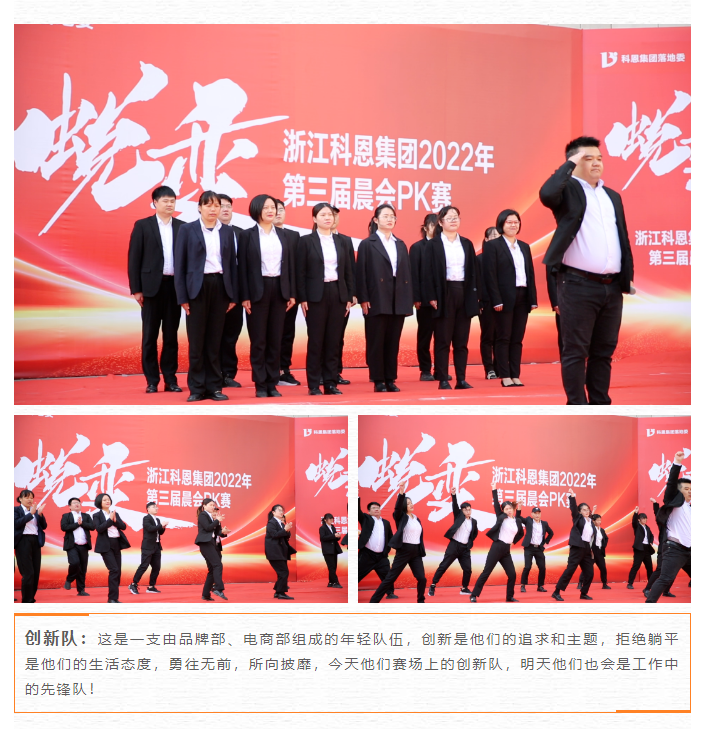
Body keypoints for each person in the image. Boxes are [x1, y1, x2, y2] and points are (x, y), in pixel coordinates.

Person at [540, 136, 635, 405]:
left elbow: (622, 238)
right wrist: (569, 164)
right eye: (588, 158)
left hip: (611, 287)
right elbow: (547, 194)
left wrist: (626, 277)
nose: (596, 163)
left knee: (603, 351)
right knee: (575, 350)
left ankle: (600, 403)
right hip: (577, 284)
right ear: (573, 162)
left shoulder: (612, 196)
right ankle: (577, 406)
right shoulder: (567, 190)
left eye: (599, 158)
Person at [174, 191, 238, 402]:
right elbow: (180, 265)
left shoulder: (227, 231)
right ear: (199, 207)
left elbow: (231, 264)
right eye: (208, 205)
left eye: (216, 205)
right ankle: (196, 388)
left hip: (219, 286)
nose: (213, 209)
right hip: (197, 288)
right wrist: (182, 297)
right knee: (197, 341)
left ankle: (214, 387)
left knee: (214, 340)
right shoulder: (187, 229)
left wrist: (232, 295)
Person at [127, 185, 185, 394]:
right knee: (149, 336)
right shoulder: (143, 225)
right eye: (165, 201)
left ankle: (170, 379)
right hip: (151, 289)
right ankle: (152, 380)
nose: (169, 204)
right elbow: (134, 258)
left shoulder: (183, 227)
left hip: (174, 288)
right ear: (155, 203)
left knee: (171, 336)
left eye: (172, 201)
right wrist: (136, 289)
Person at [239, 195, 297, 397]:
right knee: (259, 340)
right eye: (266, 208)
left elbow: (290, 266)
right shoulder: (247, 235)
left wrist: (291, 293)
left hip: (279, 289)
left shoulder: (283, 235)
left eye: (274, 207)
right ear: (257, 210)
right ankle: (260, 384)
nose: (272, 211)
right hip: (257, 290)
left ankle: (272, 383)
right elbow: (242, 268)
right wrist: (244, 296)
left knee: (275, 339)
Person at [297, 203, 354, 395]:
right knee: (316, 341)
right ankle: (314, 384)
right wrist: (303, 298)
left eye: (330, 214)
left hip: (337, 293)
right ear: (314, 219)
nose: (328, 218)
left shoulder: (342, 241)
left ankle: (330, 383)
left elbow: (348, 271)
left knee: (333, 341)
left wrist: (348, 296)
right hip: (315, 296)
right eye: (322, 215)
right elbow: (300, 272)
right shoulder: (306, 241)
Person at [356, 204, 413, 392]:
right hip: (376, 297)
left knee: (392, 341)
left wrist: (407, 299)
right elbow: (361, 273)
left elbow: (406, 273)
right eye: (385, 216)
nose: (390, 219)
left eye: (392, 216)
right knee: (376, 340)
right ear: (376, 220)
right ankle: (378, 379)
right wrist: (364, 298)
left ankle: (390, 378)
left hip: (398, 298)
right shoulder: (367, 244)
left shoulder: (400, 244)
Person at [423, 205, 479, 390]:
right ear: (441, 222)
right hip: (444, 293)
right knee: (443, 339)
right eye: (449, 217)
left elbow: (473, 272)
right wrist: (431, 296)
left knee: (461, 341)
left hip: (464, 292)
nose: (454, 220)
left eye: (456, 217)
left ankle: (461, 379)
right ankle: (443, 379)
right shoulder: (433, 244)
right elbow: (427, 273)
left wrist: (475, 295)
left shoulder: (467, 243)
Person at [482, 209, 538, 388]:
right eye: (509, 222)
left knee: (517, 338)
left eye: (516, 222)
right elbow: (490, 275)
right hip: (503, 299)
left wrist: (532, 299)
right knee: (503, 337)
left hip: (523, 296)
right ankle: (504, 375)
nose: (513, 225)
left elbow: (530, 273)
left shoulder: (524, 247)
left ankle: (515, 374)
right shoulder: (493, 246)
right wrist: (496, 299)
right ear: (501, 224)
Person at [369, 481, 427, 603]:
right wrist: (401, 492)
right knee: (390, 578)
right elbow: (397, 508)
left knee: (422, 578)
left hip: (416, 552)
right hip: (404, 551)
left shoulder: (416, 519)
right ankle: (373, 601)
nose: (411, 505)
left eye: (411, 502)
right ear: (404, 506)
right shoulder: (401, 517)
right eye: (408, 503)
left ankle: (421, 601)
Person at [646, 451, 691, 603]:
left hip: (690, 551)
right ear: (678, 491)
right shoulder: (675, 502)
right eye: (686, 489)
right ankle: (648, 606)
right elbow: (671, 483)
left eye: (691, 489)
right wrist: (677, 462)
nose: (690, 491)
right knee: (665, 578)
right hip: (674, 550)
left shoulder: (691, 508)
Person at [469, 483, 524, 603]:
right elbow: (496, 503)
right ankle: (473, 595)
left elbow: (521, 533)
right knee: (486, 572)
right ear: (503, 510)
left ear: (513, 509)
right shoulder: (501, 517)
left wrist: (513, 542)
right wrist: (494, 489)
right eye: (506, 509)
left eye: (510, 508)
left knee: (512, 574)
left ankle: (509, 597)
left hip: (506, 551)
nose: (509, 510)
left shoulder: (517, 521)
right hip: (497, 547)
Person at [217, 194, 245, 389]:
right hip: (214, 290)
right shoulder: (206, 232)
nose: (226, 209)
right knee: (213, 335)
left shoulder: (241, 234)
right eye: (221, 206)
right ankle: (213, 373)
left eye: (229, 206)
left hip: (236, 292)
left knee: (231, 335)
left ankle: (228, 373)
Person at [428, 485, 478, 596]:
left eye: (469, 509)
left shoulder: (474, 521)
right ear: (462, 511)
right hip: (454, 546)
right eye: (465, 510)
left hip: (465, 549)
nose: (468, 511)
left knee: (468, 569)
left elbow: (474, 534)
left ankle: (464, 588)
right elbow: (455, 506)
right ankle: (433, 585)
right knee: (444, 566)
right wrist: (454, 495)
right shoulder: (459, 516)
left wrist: (469, 543)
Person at [274, 199, 303, 387]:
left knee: (287, 333)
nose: (277, 213)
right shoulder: (259, 235)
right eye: (273, 209)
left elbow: (297, 267)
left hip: (289, 294)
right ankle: (270, 370)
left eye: (281, 209)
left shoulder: (294, 236)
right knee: (269, 334)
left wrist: (295, 294)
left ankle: (284, 370)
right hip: (267, 292)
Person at [551, 489, 596, 601]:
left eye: (588, 509)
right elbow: (573, 508)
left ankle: (583, 593)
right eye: (584, 509)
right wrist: (572, 496)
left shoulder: (590, 522)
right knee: (570, 570)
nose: (587, 511)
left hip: (586, 549)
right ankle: (556, 592)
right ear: (580, 512)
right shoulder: (578, 518)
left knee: (589, 573)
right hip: (577, 548)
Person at [410, 214, 437, 382]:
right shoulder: (417, 247)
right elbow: (414, 274)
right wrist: (416, 297)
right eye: (433, 225)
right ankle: (425, 369)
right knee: (425, 336)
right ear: (425, 228)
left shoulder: (444, 246)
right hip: (424, 301)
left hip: (442, 301)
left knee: (442, 337)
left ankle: (440, 368)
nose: (436, 228)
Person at [330, 207, 356, 385]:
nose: (332, 218)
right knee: (319, 337)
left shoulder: (345, 240)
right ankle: (320, 372)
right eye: (326, 214)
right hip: (319, 296)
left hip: (341, 296)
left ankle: (335, 372)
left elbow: (351, 270)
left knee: (338, 336)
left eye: (334, 215)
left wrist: (352, 294)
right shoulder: (310, 240)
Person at [93, 493, 130, 604]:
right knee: (114, 570)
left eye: (108, 499)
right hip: (105, 545)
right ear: (99, 502)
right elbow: (99, 529)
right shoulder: (96, 515)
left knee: (117, 572)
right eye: (104, 500)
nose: (107, 501)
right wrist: (109, 520)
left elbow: (123, 526)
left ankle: (114, 598)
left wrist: (115, 520)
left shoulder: (115, 513)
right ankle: (112, 599)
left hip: (116, 544)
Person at [357, 497, 397, 599]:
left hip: (381, 556)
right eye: (373, 508)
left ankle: (390, 593)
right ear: (369, 511)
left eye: (378, 507)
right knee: (357, 573)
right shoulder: (366, 519)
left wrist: (387, 550)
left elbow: (390, 537)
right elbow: (357, 511)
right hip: (367, 555)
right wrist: (355, 497)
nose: (376, 509)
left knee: (387, 575)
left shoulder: (386, 523)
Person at [129, 502, 169, 595]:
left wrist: (163, 527)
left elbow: (160, 532)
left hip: (157, 546)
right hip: (148, 546)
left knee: (156, 567)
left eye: (156, 507)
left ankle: (151, 586)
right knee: (144, 565)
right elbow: (150, 528)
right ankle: (133, 584)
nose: (156, 508)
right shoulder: (146, 518)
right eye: (154, 507)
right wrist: (160, 525)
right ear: (148, 509)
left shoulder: (157, 519)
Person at [14, 489, 47, 603]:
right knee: (28, 573)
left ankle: (31, 598)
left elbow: (44, 526)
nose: (30, 500)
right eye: (27, 497)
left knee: (35, 572)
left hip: (35, 541)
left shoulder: (35, 511)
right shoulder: (15, 510)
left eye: (31, 498)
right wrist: (31, 514)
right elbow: (16, 524)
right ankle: (27, 600)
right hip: (23, 541)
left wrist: (40, 515)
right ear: (20, 499)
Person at [476, 227, 500, 379]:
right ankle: (489, 368)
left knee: (501, 336)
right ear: (486, 239)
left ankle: (499, 367)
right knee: (488, 336)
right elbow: (477, 283)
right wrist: (479, 302)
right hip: (486, 303)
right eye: (493, 236)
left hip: (503, 303)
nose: (496, 239)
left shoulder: (504, 257)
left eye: (498, 236)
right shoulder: (479, 259)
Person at [643, 498, 677, 598]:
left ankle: (666, 591)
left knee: (673, 571)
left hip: (675, 549)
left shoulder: (677, 524)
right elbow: (657, 514)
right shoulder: (663, 523)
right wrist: (655, 504)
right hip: (664, 549)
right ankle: (647, 589)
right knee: (659, 570)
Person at [194, 498, 227, 601]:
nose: (213, 507)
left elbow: (216, 532)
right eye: (211, 505)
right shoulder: (203, 515)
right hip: (205, 543)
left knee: (212, 569)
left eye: (213, 505)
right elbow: (208, 528)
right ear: (204, 506)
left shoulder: (212, 517)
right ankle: (218, 588)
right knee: (217, 565)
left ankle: (206, 594)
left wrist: (223, 531)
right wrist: (217, 520)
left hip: (211, 543)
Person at [61, 497, 94, 597]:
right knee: (75, 563)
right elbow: (64, 527)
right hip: (72, 545)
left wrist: (82, 523)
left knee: (83, 568)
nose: (77, 504)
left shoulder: (86, 516)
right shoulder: (66, 516)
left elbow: (92, 527)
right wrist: (77, 524)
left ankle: (81, 590)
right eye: (74, 503)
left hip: (84, 545)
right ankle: (69, 579)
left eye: (78, 503)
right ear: (69, 506)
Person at [265, 504, 297, 599]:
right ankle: (281, 593)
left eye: (282, 510)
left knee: (282, 572)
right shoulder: (271, 523)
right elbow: (274, 535)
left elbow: (286, 536)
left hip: (281, 551)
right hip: (274, 552)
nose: (281, 512)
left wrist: (287, 530)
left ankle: (278, 592)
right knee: (284, 572)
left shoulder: (281, 523)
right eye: (279, 510)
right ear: (273, 512)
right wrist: (284, 530)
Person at [519, 506, 554, 593]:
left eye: (538, 513)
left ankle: (540, 586)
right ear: (532, 514)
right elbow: (518, 518)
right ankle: (523, 585)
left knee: (542, 567)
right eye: (535, 513)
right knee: (527, 566)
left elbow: (551, 533)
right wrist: (519, 507)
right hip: (529, 547)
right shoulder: (528, 520)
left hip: (539, 548)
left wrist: (545, 542)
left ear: (540, 514)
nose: (537, 515)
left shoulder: (544, 523)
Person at [578, 511, 610, 591]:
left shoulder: (602, 530)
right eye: (598, 520)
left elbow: (606, 538)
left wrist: (603, 546)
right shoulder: (591, 529)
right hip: (592, 552)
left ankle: (604, 584)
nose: (599, 522)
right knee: (587, 568)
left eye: (600, 520)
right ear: (593, 521)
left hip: (600, 552)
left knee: (603, 568)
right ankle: (580, 583)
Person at [627, 506, 654, 589]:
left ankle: (651, 584)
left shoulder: (647, 528)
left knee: (649, 567)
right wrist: (636, 513)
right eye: (643, 518)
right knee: (636, 566)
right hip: (639, 549)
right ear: (639, 520)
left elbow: (651, 536)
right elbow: (634, 522)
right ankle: (630, 583)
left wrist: (651, 542)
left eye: (646, 518)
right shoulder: (637, 526)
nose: (645, 520)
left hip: (647, 549)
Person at [319, 513, 344, 588]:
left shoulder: (332, 527)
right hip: (327, 550)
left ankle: (330, 582)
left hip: (334, 549)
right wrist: (334, 535)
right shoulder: (322, 528)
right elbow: (323, 538)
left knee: (334, 567)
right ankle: (335, 582)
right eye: (329, 519)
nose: (331, 520)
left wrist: (338, 536)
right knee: (331, 567)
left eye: (332, 518)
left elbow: (334, 537)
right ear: (325, 520)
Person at [545, 263, 563, 360]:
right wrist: (555, 302)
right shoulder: (556, 254)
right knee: (564, 334)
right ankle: (566, 363)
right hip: (562, 300)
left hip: (583, 299)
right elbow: (551, 278)